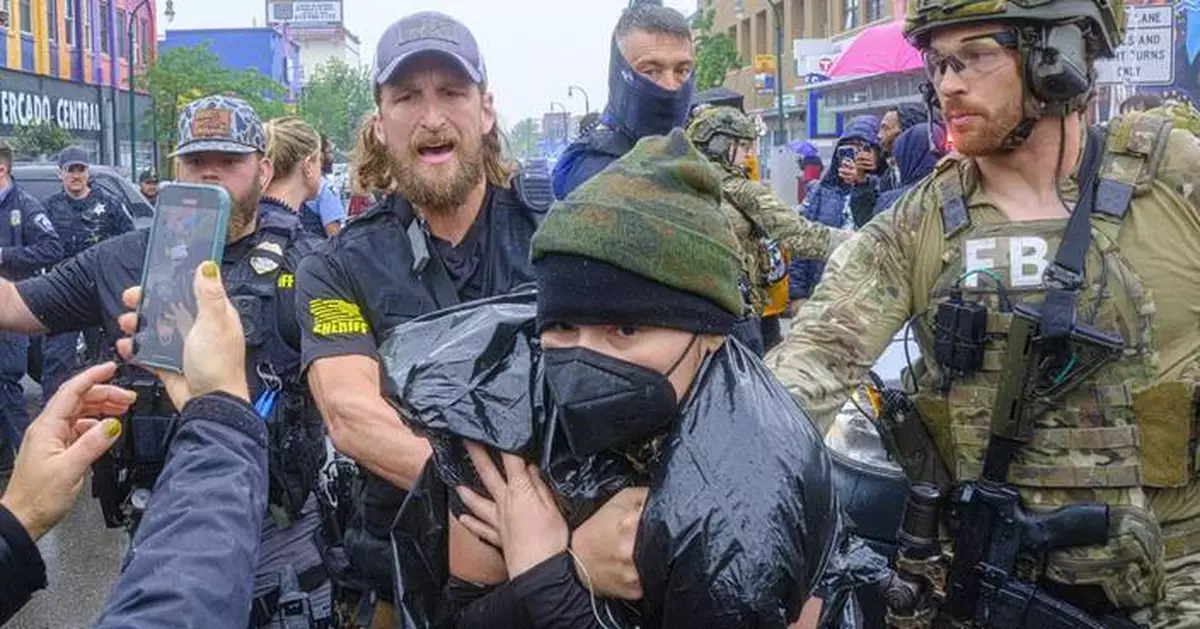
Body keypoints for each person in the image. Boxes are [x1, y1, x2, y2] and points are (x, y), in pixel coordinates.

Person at [768, 0, 1200, 624]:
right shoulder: (916, 223)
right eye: (939, 63)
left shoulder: (1175, 182)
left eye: (974, 55)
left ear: (1060, 56)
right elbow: (810, 366)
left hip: (1177, 595)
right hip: (991, 594)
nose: (948, 83)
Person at [295, 12, 638, 627]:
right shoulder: (336, 267)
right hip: (401, 584)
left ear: (484, 110)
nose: (431, 117)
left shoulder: (558, 239)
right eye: (407, 97)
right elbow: (351, 415)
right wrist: (506, 510)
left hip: (568, 573)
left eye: (452, 92)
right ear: (380, 124)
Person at [0, 95, 330, 629]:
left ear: (264, 169)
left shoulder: (311, 265)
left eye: (230, 161)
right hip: (163, 520)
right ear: (177, 167)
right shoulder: (125, 258)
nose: (211, 175)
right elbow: (16, 304)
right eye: (197, 161)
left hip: (279, 532)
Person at [0, 264, 274, 627]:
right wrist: (221, 417)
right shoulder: (114, 258)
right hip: (195, 494)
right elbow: (174, 610)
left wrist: (19, 518)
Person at [686, 106, 849, 354]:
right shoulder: (741, 190)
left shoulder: (680, 185)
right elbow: (800, 235)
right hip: (737, 316)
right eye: (742, 146)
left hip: (690, 319)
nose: (749, 154)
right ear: (720, 144)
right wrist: (865, 242)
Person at [551, 2, 694, 199]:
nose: (670, 86)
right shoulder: (594, 176)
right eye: (651, 71)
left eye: (682, 71)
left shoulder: (686, 162)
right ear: (619, 76)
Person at [40, 147, 134, 403]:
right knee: (56, 361)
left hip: (100, 293)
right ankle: (55, 412)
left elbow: (129, 242)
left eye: (80, 169)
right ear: (60, 174)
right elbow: (39, 249)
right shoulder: (48, 209)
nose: (76, 175)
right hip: (62, 294)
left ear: (88, 171)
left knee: (107, 359)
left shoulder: (110, 204)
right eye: (71, 170)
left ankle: (109, 415)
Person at [0, 141, 62, 473]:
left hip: (14, 307)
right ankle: (4, 462)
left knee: (8, 382)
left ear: (2, 169)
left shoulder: (25, 206)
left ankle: (30, 463)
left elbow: (52, 248)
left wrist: (4, 256)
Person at [788, 116, 883, 304]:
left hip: (869, 294)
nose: (855, 154)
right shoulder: (821, 191)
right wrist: (798, 295)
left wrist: (864, 183)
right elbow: (801, 240)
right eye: (849, 147)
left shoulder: (886, 187)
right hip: (825, 290)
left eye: (864, 147)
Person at [850, 121, 949, 221]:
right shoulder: (953, 191)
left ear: (906, 155)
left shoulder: (893, 203)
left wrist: (861, 182)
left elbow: (866, 224)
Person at [262, 117, 326, 225]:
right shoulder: (296, 237)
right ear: (308, 166)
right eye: (320, 160)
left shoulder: (243, 223)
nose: (321, 170)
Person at [300, 134, 346, 238]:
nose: (332, 157)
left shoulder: (298, 184)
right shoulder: (326, 189)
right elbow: (334, 237)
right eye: (329, 152)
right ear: (319, 155)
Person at [878, 102, 929, 190]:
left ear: (905, 132)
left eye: (885, 128)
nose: (879, 135)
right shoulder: (887, 177)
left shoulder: (930, 173)